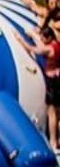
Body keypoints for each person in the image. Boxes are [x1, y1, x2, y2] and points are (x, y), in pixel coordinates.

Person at [15, 15, 60, 152]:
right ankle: (57, 140)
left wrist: (20, 39)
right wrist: (35, 34)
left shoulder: (48, 49)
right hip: (58, 79)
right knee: (58, 112)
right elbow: (42, 45)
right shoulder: (56, 44)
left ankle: (53, 142)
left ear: (48, 38)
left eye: (43, 38)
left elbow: (33, 49)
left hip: (52, 82)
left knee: (51, 112)